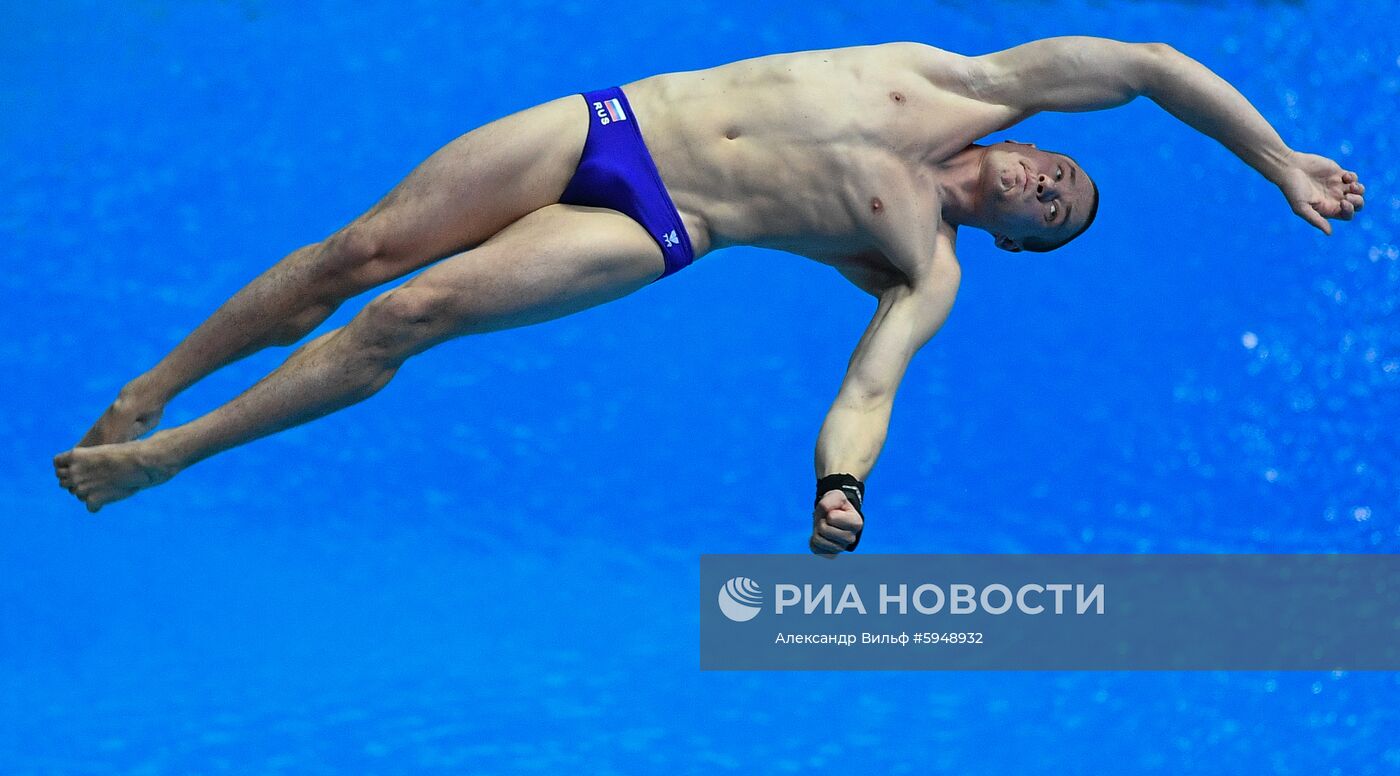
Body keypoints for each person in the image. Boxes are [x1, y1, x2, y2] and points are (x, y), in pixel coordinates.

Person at [54, 37, 1364, 555]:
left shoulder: (928, 262)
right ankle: (152, 384)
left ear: (1019, 239)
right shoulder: (974, 79)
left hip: (665, 226)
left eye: (1050, 210)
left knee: (406, 319)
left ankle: (167, 456)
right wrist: (1276, 158)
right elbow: (1144, 64)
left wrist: (839, 491)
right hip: (611, 125)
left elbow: (869, 387)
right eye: (1060, 170)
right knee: (361, 255)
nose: (1043, 178)